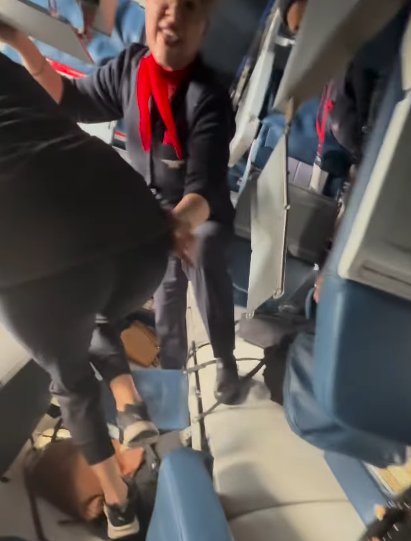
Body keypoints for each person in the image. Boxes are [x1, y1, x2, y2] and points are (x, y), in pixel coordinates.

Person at [0, 47, 192, 541]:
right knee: (97, 309)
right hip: (140, 236)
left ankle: (117, 505)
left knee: (71, 379)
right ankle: (130, 405)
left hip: (32, 253)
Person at [2, 0, 241, 403]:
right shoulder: (132, 67)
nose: (173, 16)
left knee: (205, 255)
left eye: (190, 9)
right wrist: (22, 44)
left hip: (198, 207)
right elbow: (73, 99)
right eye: (165, 4)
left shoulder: (209, 99)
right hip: (151, 205)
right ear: (147, 7)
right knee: (165, 296)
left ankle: (225, 358)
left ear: (204, 28)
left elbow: (205, 185)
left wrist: (175, 225)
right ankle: (173, 372)